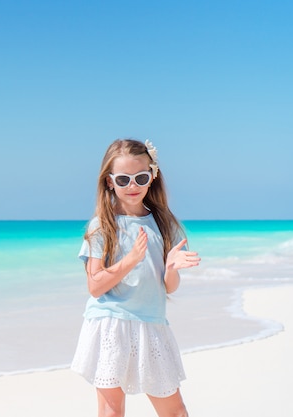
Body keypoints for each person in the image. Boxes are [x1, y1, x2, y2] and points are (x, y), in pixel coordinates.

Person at [71, 139, 200, 417]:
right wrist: (130, 261)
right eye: (123, 179)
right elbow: (95, 286)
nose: (133, 186)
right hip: (110, 323)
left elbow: (170, 287)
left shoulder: (165, 224)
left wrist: (171, 269)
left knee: (175, 411)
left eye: (141, 177)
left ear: (152, 176)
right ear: (109, 181)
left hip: (151, 324)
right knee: (112, 411)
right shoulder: (102, 226)